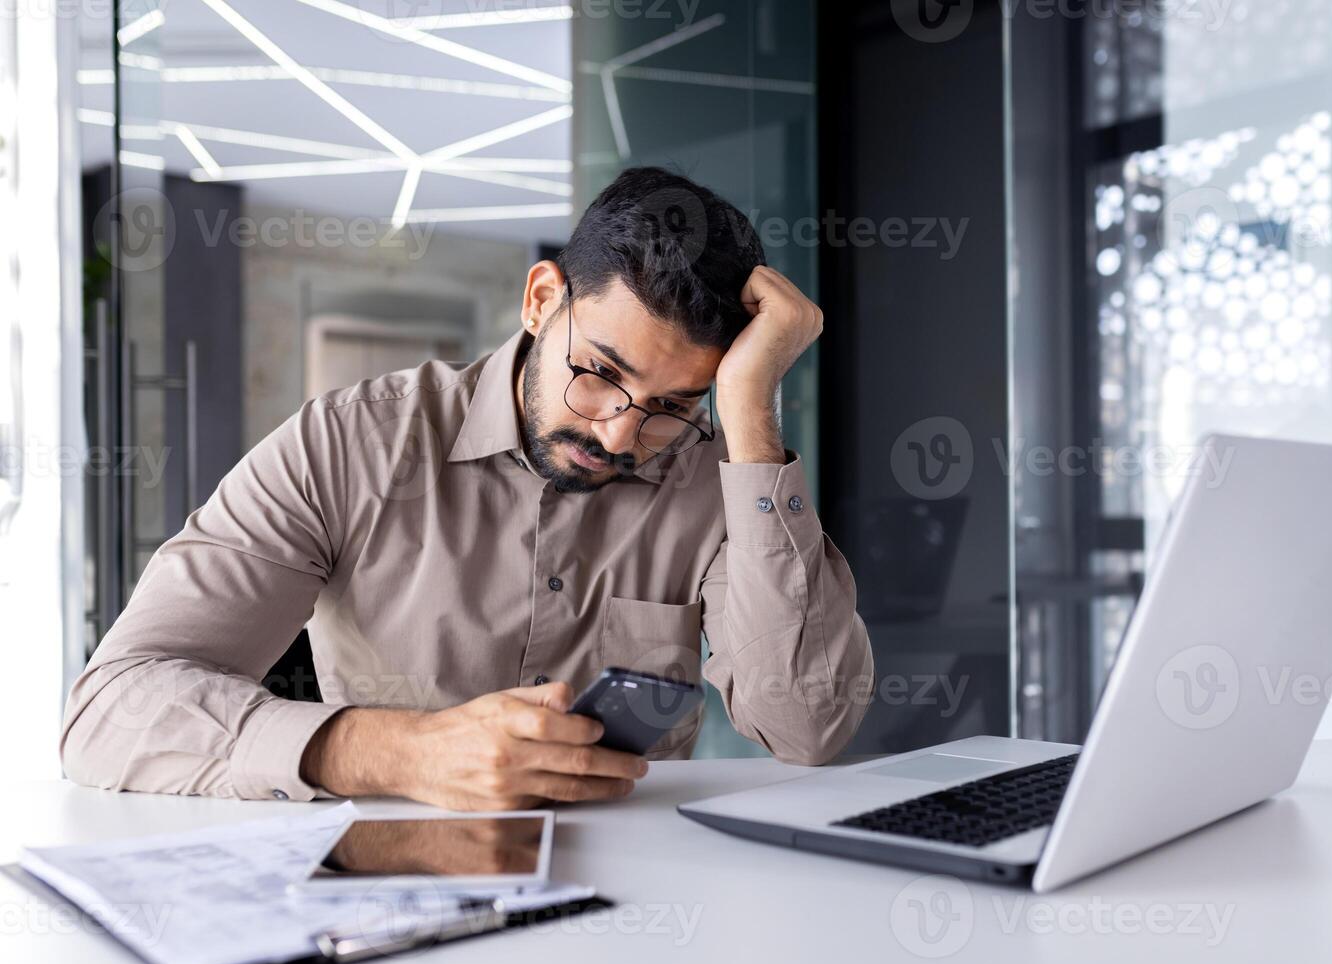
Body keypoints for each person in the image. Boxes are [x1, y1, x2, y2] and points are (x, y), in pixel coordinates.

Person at [60, 167, 874, 811]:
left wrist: (749, 420)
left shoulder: (712, 477)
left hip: (641, 911)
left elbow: (807, 725)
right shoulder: (348, 443)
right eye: (599, 374)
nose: (621, 434)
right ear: (541, 300)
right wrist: (404, 753)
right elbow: (109, 711)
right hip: (389, 888)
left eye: (673, 404)